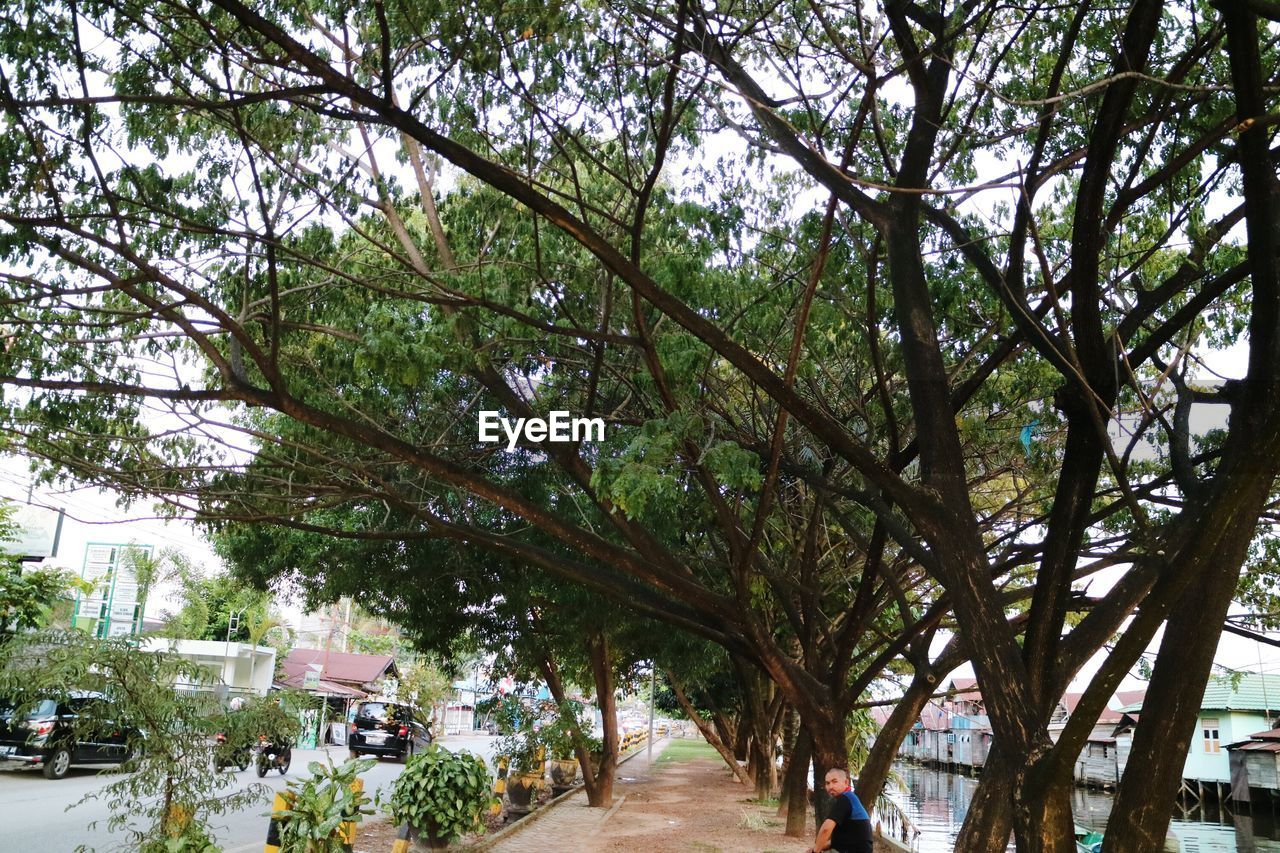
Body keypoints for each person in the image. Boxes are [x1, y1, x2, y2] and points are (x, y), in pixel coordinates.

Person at [809, 767, 873, 853]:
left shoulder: (845, 799)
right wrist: (815, 848)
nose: (830, 786)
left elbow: (826, 830)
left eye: (834, 782)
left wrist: (815, 851)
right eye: (827, 783)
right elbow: (837, 841)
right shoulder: (849, 798)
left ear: (846, 782)